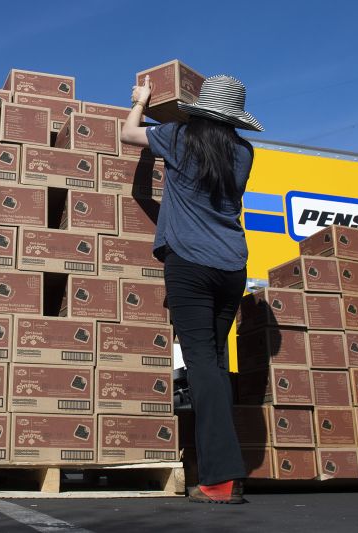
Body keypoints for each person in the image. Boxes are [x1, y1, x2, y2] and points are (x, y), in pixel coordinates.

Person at [121, 75, 263, 504]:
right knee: (215, 365)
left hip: (190, 263)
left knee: (202, 365)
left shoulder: (180, 137)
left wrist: (141, 102)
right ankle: (222, 474)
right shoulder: (244, 152)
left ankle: (221, 482)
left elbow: (128, 135)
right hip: (232, 265)